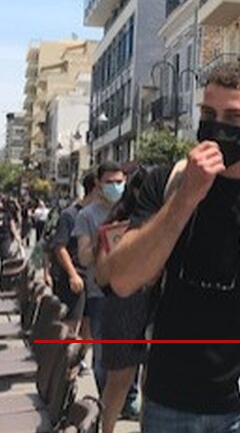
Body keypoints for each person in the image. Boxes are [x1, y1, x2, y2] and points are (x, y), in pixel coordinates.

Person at [107, 61, 240, 432]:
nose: (218, 126)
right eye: (208, 114)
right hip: (171, 402)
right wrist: (186, 198)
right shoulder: (166, 181)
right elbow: (124, 279)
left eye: (234, 116)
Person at [93, 167, 152, 433]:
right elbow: (101, 276)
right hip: (122, 307)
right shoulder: (116, 224)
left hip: (154, 306)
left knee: (152, 384)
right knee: (119, 381)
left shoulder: (167, 222)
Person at [74, 160, 128, 393]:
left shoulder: (133, 210)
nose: (115, 187)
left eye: (119, 182)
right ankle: (104, 399)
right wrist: (103, 239)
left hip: (131, 291)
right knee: (103, 355)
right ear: (98, 183)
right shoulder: (87, 216)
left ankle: (128, 399)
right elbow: (84, 258)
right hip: (100, 295)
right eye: (110, 182)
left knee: (130, 354)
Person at [49, 172, 95, 336]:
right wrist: (73, 274)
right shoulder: (69, 215)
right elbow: (60, 247)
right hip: (73, 280)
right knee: (70, 327)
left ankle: (82, 353)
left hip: (93, 280)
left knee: (88, 327)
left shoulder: (100, 215)